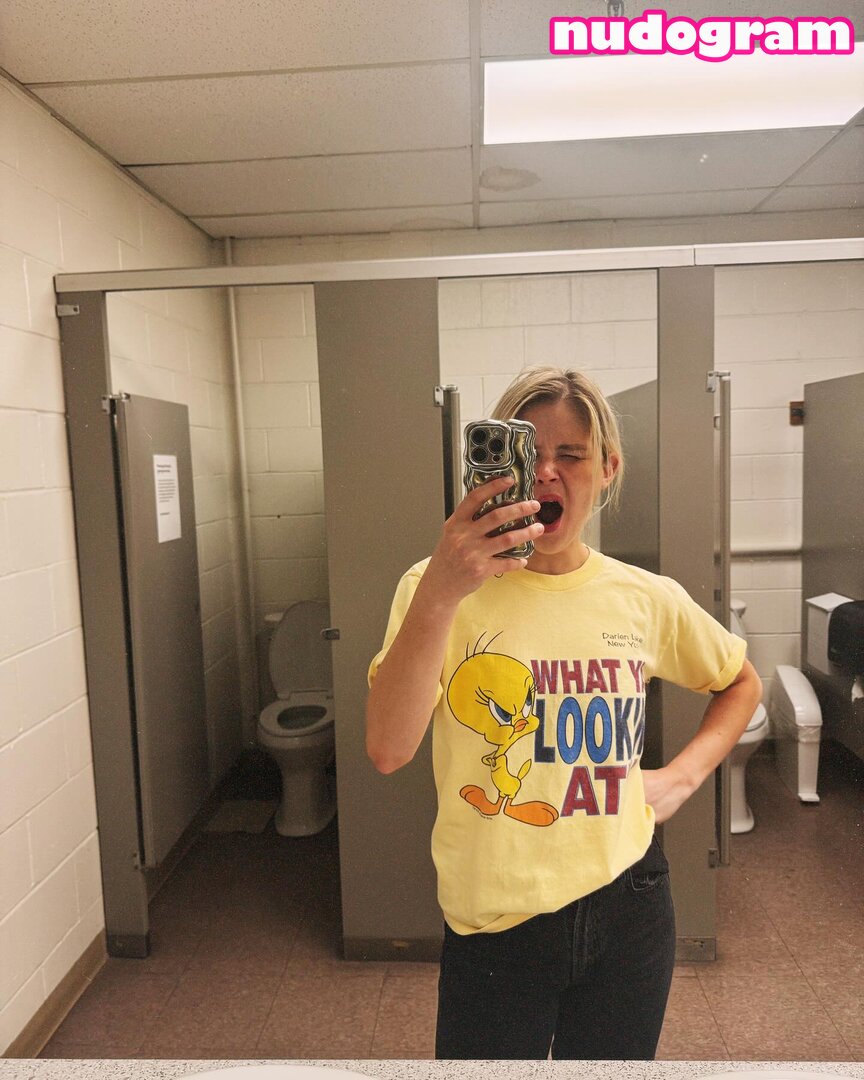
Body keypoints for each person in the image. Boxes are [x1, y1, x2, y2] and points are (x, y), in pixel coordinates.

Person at [366, 366, 762, 1061]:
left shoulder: (643, 597)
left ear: (608, 469)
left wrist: (682, 777)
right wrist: (443, 591)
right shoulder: (433, 588)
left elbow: (740, 683)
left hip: (630, 902)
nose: (547, 472)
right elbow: (388, 748)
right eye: (529, 453)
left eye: (571, 455)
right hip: (496, 921)